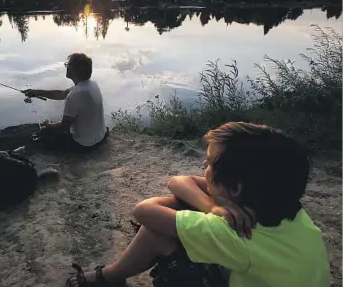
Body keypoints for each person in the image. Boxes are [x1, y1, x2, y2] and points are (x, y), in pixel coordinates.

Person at [66, 122, 330, 287]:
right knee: (177, 215)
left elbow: (143, 211)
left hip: (242, 263)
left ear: (235, 189)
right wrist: (212, 206)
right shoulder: (279, 204)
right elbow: (178, 181)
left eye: (210, 162)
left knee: (156, 232)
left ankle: (110, 277)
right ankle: (112, 276)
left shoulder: (235, 232)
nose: (203, 165)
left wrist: (201, 210)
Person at [23, 53, 108, 152]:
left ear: (73, 70)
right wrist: (36, 92)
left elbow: (63, 128)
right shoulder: (92, 84)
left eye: (68, 65)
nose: (66, 66)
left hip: (85, 145)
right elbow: (62, 94)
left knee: (44, 133)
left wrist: (49, 124)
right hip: (102, 136)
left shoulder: (75, 95)